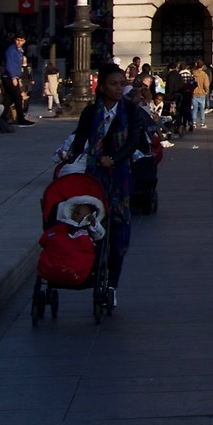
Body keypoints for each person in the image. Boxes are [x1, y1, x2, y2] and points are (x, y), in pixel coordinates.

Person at [60, 63, 158, 300]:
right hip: (95, 175)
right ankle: (91, 269)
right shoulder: (90, 112)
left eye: (122, 84)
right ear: (102, 87)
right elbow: (80, 138)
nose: (118, 88)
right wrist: (70, 155)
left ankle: (112, 285)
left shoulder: (131, 111)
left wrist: (114, 158)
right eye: (113, 84)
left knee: (119, 229)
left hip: (120, 175)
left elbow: (133, 142)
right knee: (93, 223)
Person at [1, 35, 29, 128]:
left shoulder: (19, 51)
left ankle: (2, 117)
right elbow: (10, 64)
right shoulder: (12, 50)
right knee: (17, 97)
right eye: (17, 40)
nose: (19, 42)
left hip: (13, 76)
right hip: (9, 76)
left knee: (9, 98)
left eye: (21, 40)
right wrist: (13, 77)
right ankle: (20, 119)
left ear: (24, 41)